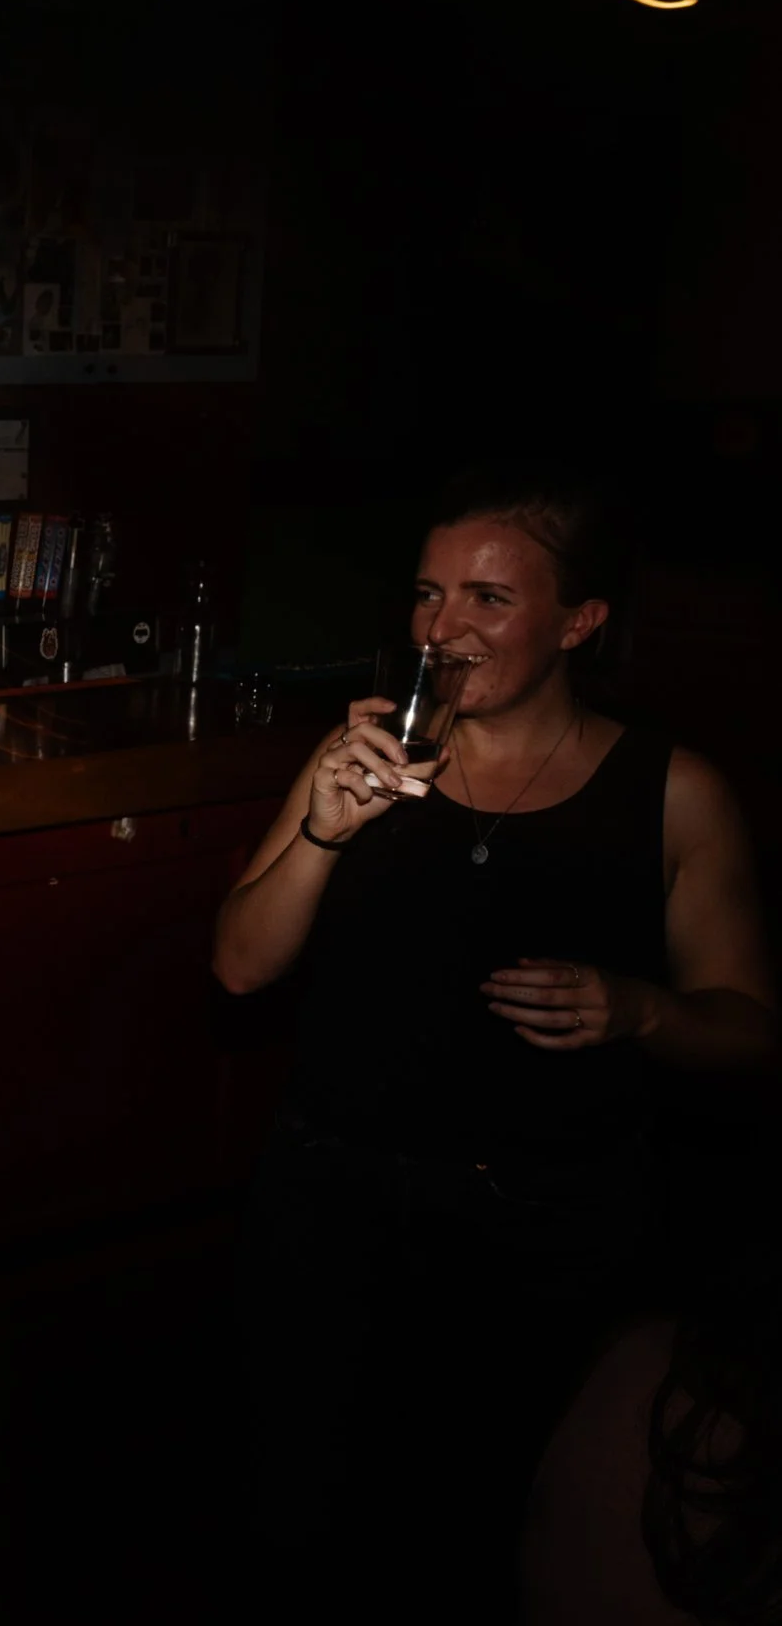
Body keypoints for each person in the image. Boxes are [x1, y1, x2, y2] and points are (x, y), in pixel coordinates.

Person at [213, 472, 775, 1623]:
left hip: (544, 1224)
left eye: (485, 599)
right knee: (302, 1518)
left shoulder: (672, 790)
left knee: (485, 1525)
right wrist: (321, 828)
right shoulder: (362, 753)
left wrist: (640, 1010)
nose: (440, 629)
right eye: (427, 595)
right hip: (333, 1201)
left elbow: (750, 1029)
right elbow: (236, 965)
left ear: (579, 621)